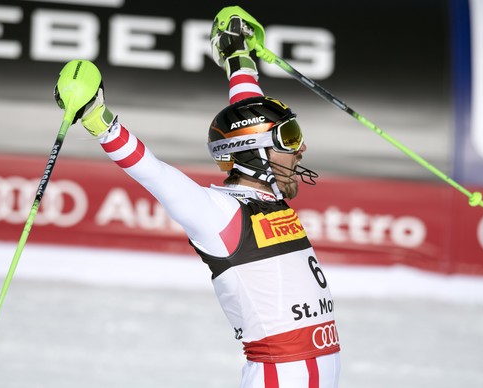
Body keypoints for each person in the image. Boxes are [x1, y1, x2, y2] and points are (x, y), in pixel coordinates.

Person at [57, 9, 341, 388]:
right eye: (289, 139)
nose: (301, 147)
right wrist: (99, 120)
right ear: (255, 154)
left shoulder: (269, 193)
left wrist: (237, 55)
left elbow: (248, 113)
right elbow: (154, 172)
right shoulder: (219, 215)